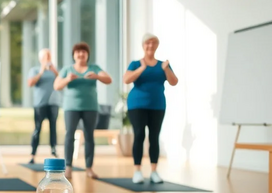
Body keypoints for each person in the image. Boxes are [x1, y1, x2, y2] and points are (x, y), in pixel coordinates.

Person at [122, 33, 179, 184]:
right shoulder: (135, 64)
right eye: (148, 43)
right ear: (143, 45)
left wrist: (166, 69)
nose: (150, 45)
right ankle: (137, 171)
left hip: (157, 105)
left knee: (154, 137)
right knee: (139, 135)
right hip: (137, 105)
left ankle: (154, 171)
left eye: (153, 43)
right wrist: (142, 68)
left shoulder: (163, 65)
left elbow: (174, 82)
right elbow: (126, 79)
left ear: (157, 45)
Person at [54, 42, 113, 179]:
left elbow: (108, 79)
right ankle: (68, 167)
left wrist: (97, 76)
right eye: (78, 52)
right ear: (74, 55)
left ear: (87, 55)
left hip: (90, 107)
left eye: (84, 52)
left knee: (89, 136)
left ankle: (89, 168)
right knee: (69, 135)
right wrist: (68, 79)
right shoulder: (67, 69)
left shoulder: (94, 68)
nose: (81, 54)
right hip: (71, 108)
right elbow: (57, 85)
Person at [28, 49, 60, 164]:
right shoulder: (35, 70)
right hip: (39, 104)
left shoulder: (54, 70)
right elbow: (30, 83)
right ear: (41, 59)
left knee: (53, 128)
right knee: (37, 128)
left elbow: (62, 80)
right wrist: (41, 71)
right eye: (46, 57)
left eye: (49, 57)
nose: (48, 59)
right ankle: (33, 154)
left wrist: (54, 70)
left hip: (53, 103)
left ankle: (54, 150)